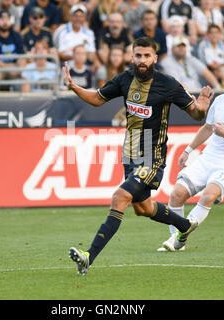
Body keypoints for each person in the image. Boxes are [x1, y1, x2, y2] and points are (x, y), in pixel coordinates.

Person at [63, 36, 215, 275]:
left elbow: (195, 114)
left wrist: (202, 107)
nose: (142, 61)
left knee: (119, 197)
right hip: (131, 150)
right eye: (138, 56)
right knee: (142, 208)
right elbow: (97, 99)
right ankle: (185, 226)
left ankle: (88, 256)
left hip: (151, 155)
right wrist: (74, 87)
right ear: (131, 57)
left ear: (155, 58)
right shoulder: (124, 80)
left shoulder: (168, 84)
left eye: (147, 56)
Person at [158, 66, 224, 252]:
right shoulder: (220, 100)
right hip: (208, 158)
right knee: (176, 194)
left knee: (208, 196)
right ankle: (179, 241)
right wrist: (188, 150)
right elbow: (207, 128)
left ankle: (176, 238)